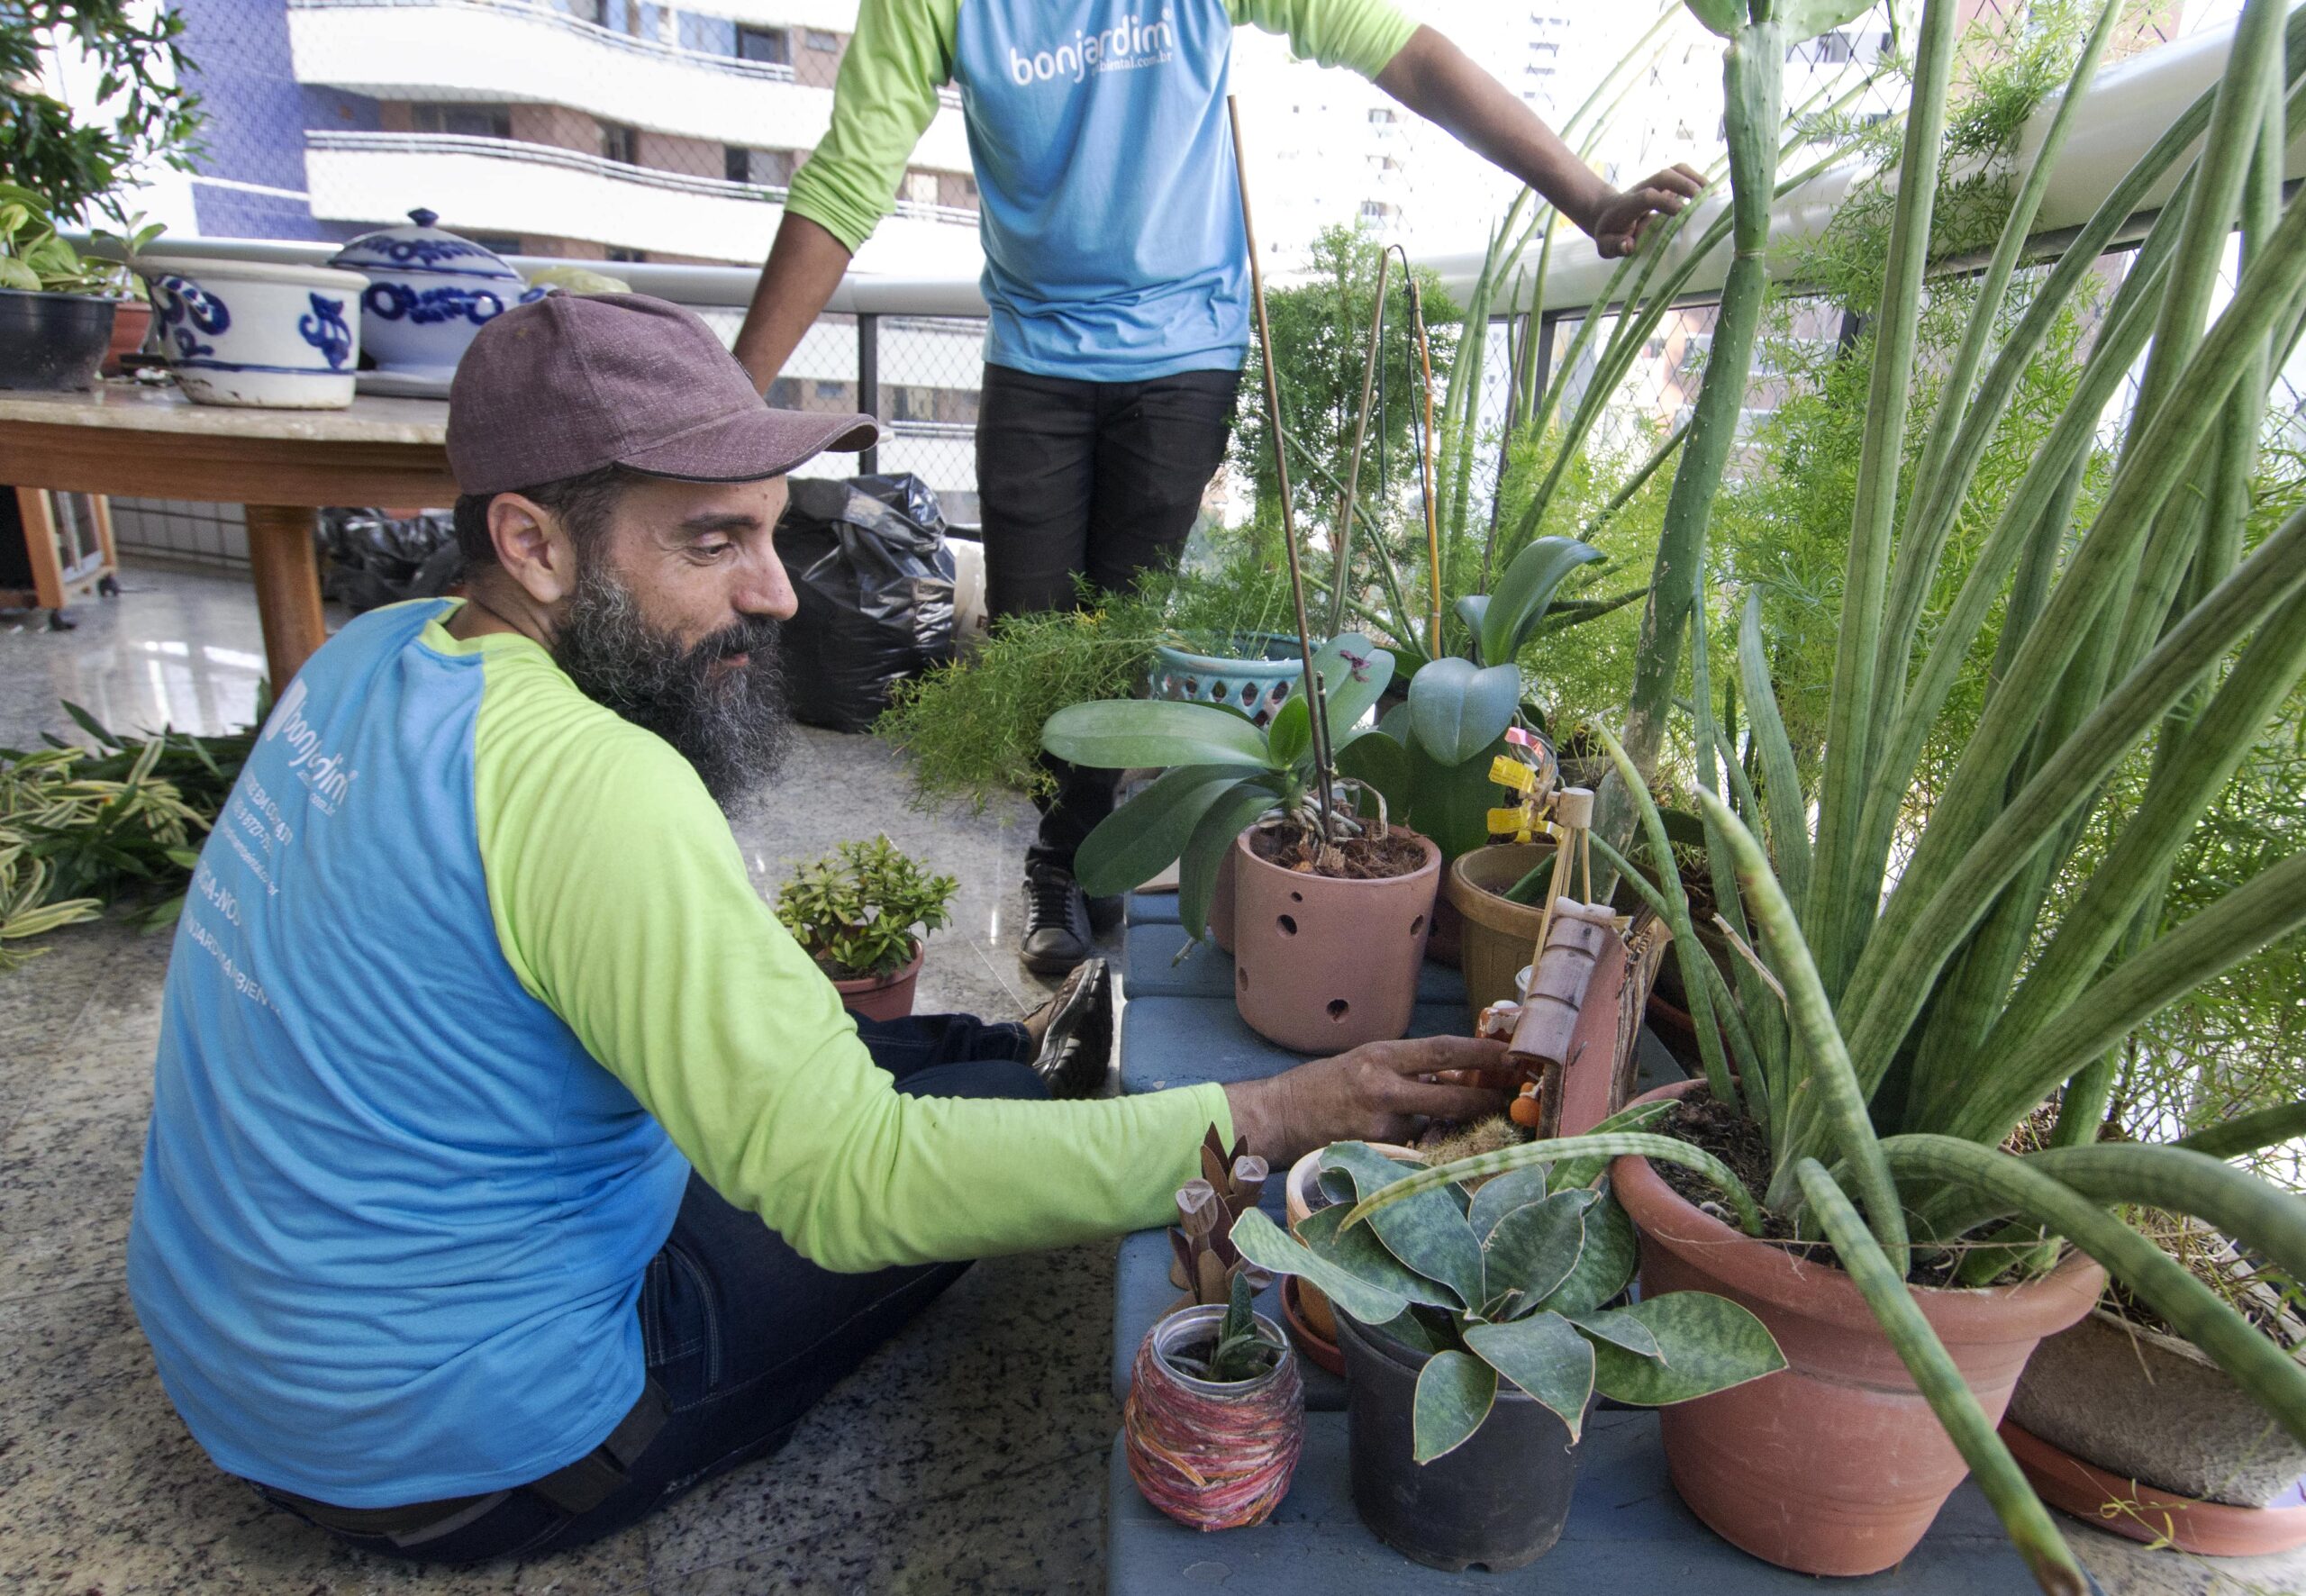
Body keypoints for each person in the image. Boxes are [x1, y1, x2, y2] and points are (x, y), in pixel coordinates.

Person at [125, 293, 1510, 1564]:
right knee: (952, 1171)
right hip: (450, 1448)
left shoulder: (379, 649)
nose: (780, 592)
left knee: (960, 1053)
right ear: (532, 544)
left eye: (771, 529)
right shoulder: (595, 786)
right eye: (711, 541)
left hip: (239, 1347)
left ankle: (1028, 1074)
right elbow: (863, 1187)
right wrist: (1275, 1110)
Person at [732, 0, 1704, 975]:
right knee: (1034, 628)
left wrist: (1587, 197)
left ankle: (1076, 859)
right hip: (1033, 349)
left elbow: (1401, 52)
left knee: (1120, 621)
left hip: (1182, 347)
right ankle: (1066, 851)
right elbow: (849, 174)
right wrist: (732, 416)